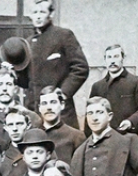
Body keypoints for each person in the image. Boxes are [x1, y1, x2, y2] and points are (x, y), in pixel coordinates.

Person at [24, 0, 89, 129]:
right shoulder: (28, 43)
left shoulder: (63, 35)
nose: (37, 16)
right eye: (34, 12)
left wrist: (63, 93)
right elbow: (26, 81)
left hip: (61, 112)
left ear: (51, 14)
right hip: (35, 112)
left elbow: (81, 68)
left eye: (42, 12)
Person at [88, 45, 138, 138]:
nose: (112, 61)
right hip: (103, 139)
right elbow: (90, 113)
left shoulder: (136, 82)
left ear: (122, 58)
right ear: (105, 60)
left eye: (116, 56)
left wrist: (130, 122)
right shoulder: (97, 86)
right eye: (109, 57)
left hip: (127, 137)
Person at [39, 86, 85, 163]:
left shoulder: (76, 136)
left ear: (62, 105)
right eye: (44, 103)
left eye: (53, 102)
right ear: (39, 108)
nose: (49, 107)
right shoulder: (32, 135)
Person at [1, 106, 32, 176]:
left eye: (19, 124)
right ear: (5, 127)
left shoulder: (36, 151)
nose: (15, 129)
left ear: (28, 125)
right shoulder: (2, 154)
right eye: (10, 125)